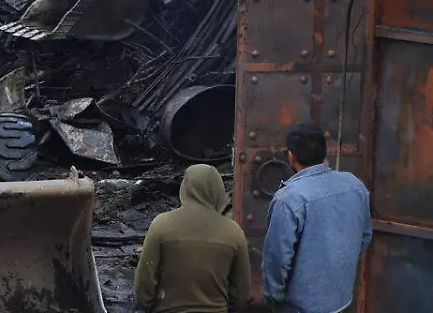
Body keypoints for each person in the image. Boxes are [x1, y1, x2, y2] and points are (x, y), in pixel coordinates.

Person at [261, 123, 371, 313]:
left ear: (291, 155)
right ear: (324, 152)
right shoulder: (355, 185)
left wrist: (274, 300)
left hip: (300, 307)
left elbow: (277, 260)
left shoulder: (289, 199)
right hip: (341, 300)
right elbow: (365, 236)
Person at [133, 164, 251, 313]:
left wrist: (146, 306)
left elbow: (145, 281)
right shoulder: (234, 232)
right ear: (218, 191)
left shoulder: (161, 224)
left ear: (185, 187)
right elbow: (242, 293)